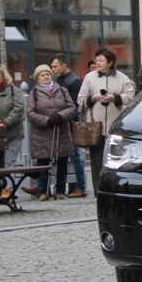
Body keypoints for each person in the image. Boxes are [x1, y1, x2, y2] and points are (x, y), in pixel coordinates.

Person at [77, 48, 135, 194]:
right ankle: (98, 191)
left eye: (101, 60)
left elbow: (131, 97)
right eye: (96, 60)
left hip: (115, 126)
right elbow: (80, 99)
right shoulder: (89, 78)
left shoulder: (122, 78)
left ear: (110, 63)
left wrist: (114, 98)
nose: (97, 63)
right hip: (95, 126)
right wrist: (94, 98)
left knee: (116, 159)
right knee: (96, 160)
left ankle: (116, 189)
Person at [22, 65, 77, 200]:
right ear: (37, 79)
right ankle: (43, 191)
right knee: (44, 163)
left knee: (62, 162)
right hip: (42, 134)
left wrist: (60, 116)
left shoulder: (62, 90)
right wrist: (47, 120)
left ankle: (60, 191)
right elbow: (30, 113)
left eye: (47, 74)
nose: (46, 76)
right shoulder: (34, 93)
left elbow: (72, 108)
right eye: (42, 75)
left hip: (61, 132)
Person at [51, 54, 87, 198]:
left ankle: (81, 187)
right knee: (66, 156)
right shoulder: (59, 80)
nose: (53, 70)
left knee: (76, 156)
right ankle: (66, 187)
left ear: (64, 65)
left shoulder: (74, 81)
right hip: (62, 123)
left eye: (55, 66)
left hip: (71, 123)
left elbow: (73, 105)